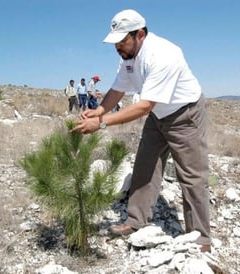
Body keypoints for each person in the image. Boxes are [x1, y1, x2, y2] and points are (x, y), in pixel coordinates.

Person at [72, 9, 211, 251]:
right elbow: (117, 90)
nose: (118, 47)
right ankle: (136, 221)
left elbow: (145, 105)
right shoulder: (127, 58)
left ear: (140, 34)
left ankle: (200, 237)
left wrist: (102, 123)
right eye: (115, 42)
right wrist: (99, 110)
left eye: (122, 41)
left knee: (191, 175)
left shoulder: (164, 54)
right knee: (145, 166)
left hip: (185, 115)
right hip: (158, 116)